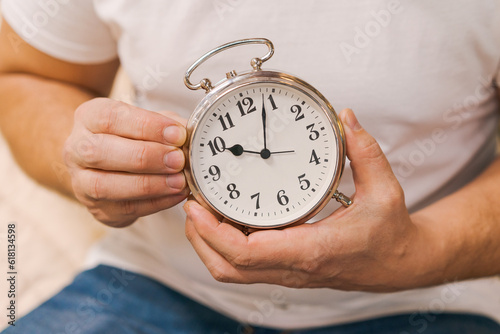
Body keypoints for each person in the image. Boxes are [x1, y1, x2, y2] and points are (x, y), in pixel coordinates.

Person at [1, 1, 500, 333]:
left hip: (426, 301)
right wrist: (81, 162)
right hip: (154, 278)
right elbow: (24, 73)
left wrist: (417, 251)